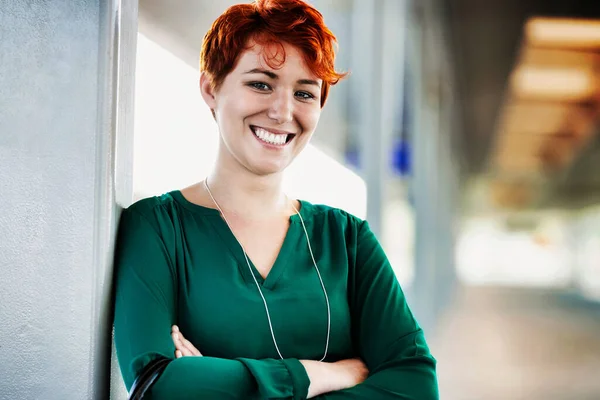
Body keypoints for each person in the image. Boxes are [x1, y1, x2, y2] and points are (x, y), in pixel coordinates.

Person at [113, 0, 438, 398]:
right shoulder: (158, 227)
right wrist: (319, 376)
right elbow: (157, 388)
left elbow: (415, 385)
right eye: (261, 84)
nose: (283, 112)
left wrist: (213, 381)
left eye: (304, 93)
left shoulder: (347, 241)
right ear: (210, 89)